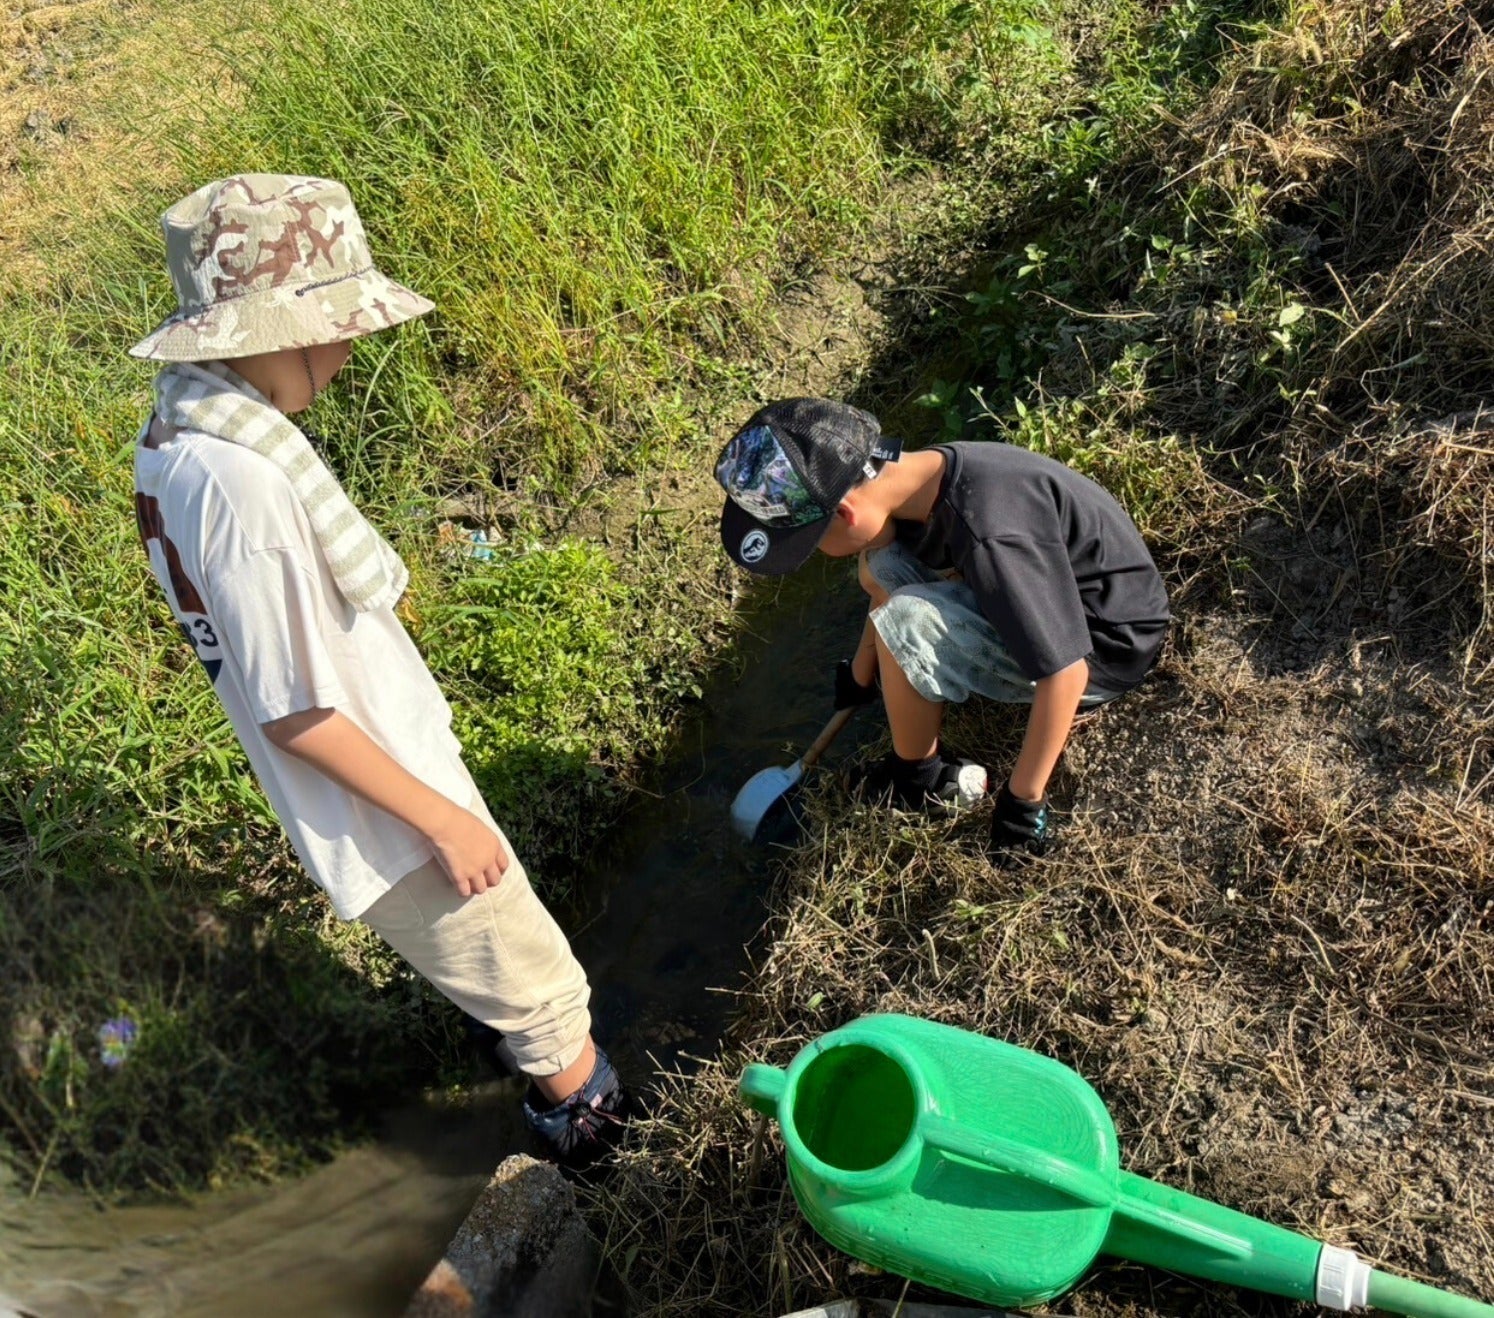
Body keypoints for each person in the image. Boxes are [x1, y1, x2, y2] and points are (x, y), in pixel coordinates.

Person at [129, 173, 631, 1171]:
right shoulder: (243, 483)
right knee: (544, 996)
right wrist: (438, 817)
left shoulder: (181, 435)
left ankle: (543, 1095)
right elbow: (295, 709)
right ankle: (612, 1166)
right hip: (385, 808)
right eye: (341, 324)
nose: (353, 348)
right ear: (278, 329)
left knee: (503, 981)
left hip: (376, 786)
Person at [713, 397, 1169, 860]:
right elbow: (882, 577)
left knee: (904, 623)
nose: (819, 554)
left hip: (1103, 650)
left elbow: (1065, 674)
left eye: (812, 543)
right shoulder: (923, 476)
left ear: (846, 512)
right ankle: (898, 701)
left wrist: (1022, 803)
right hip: (1060, 594)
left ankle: (919, 780)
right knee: (881, 566)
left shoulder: (990, 536)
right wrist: (860, 674)